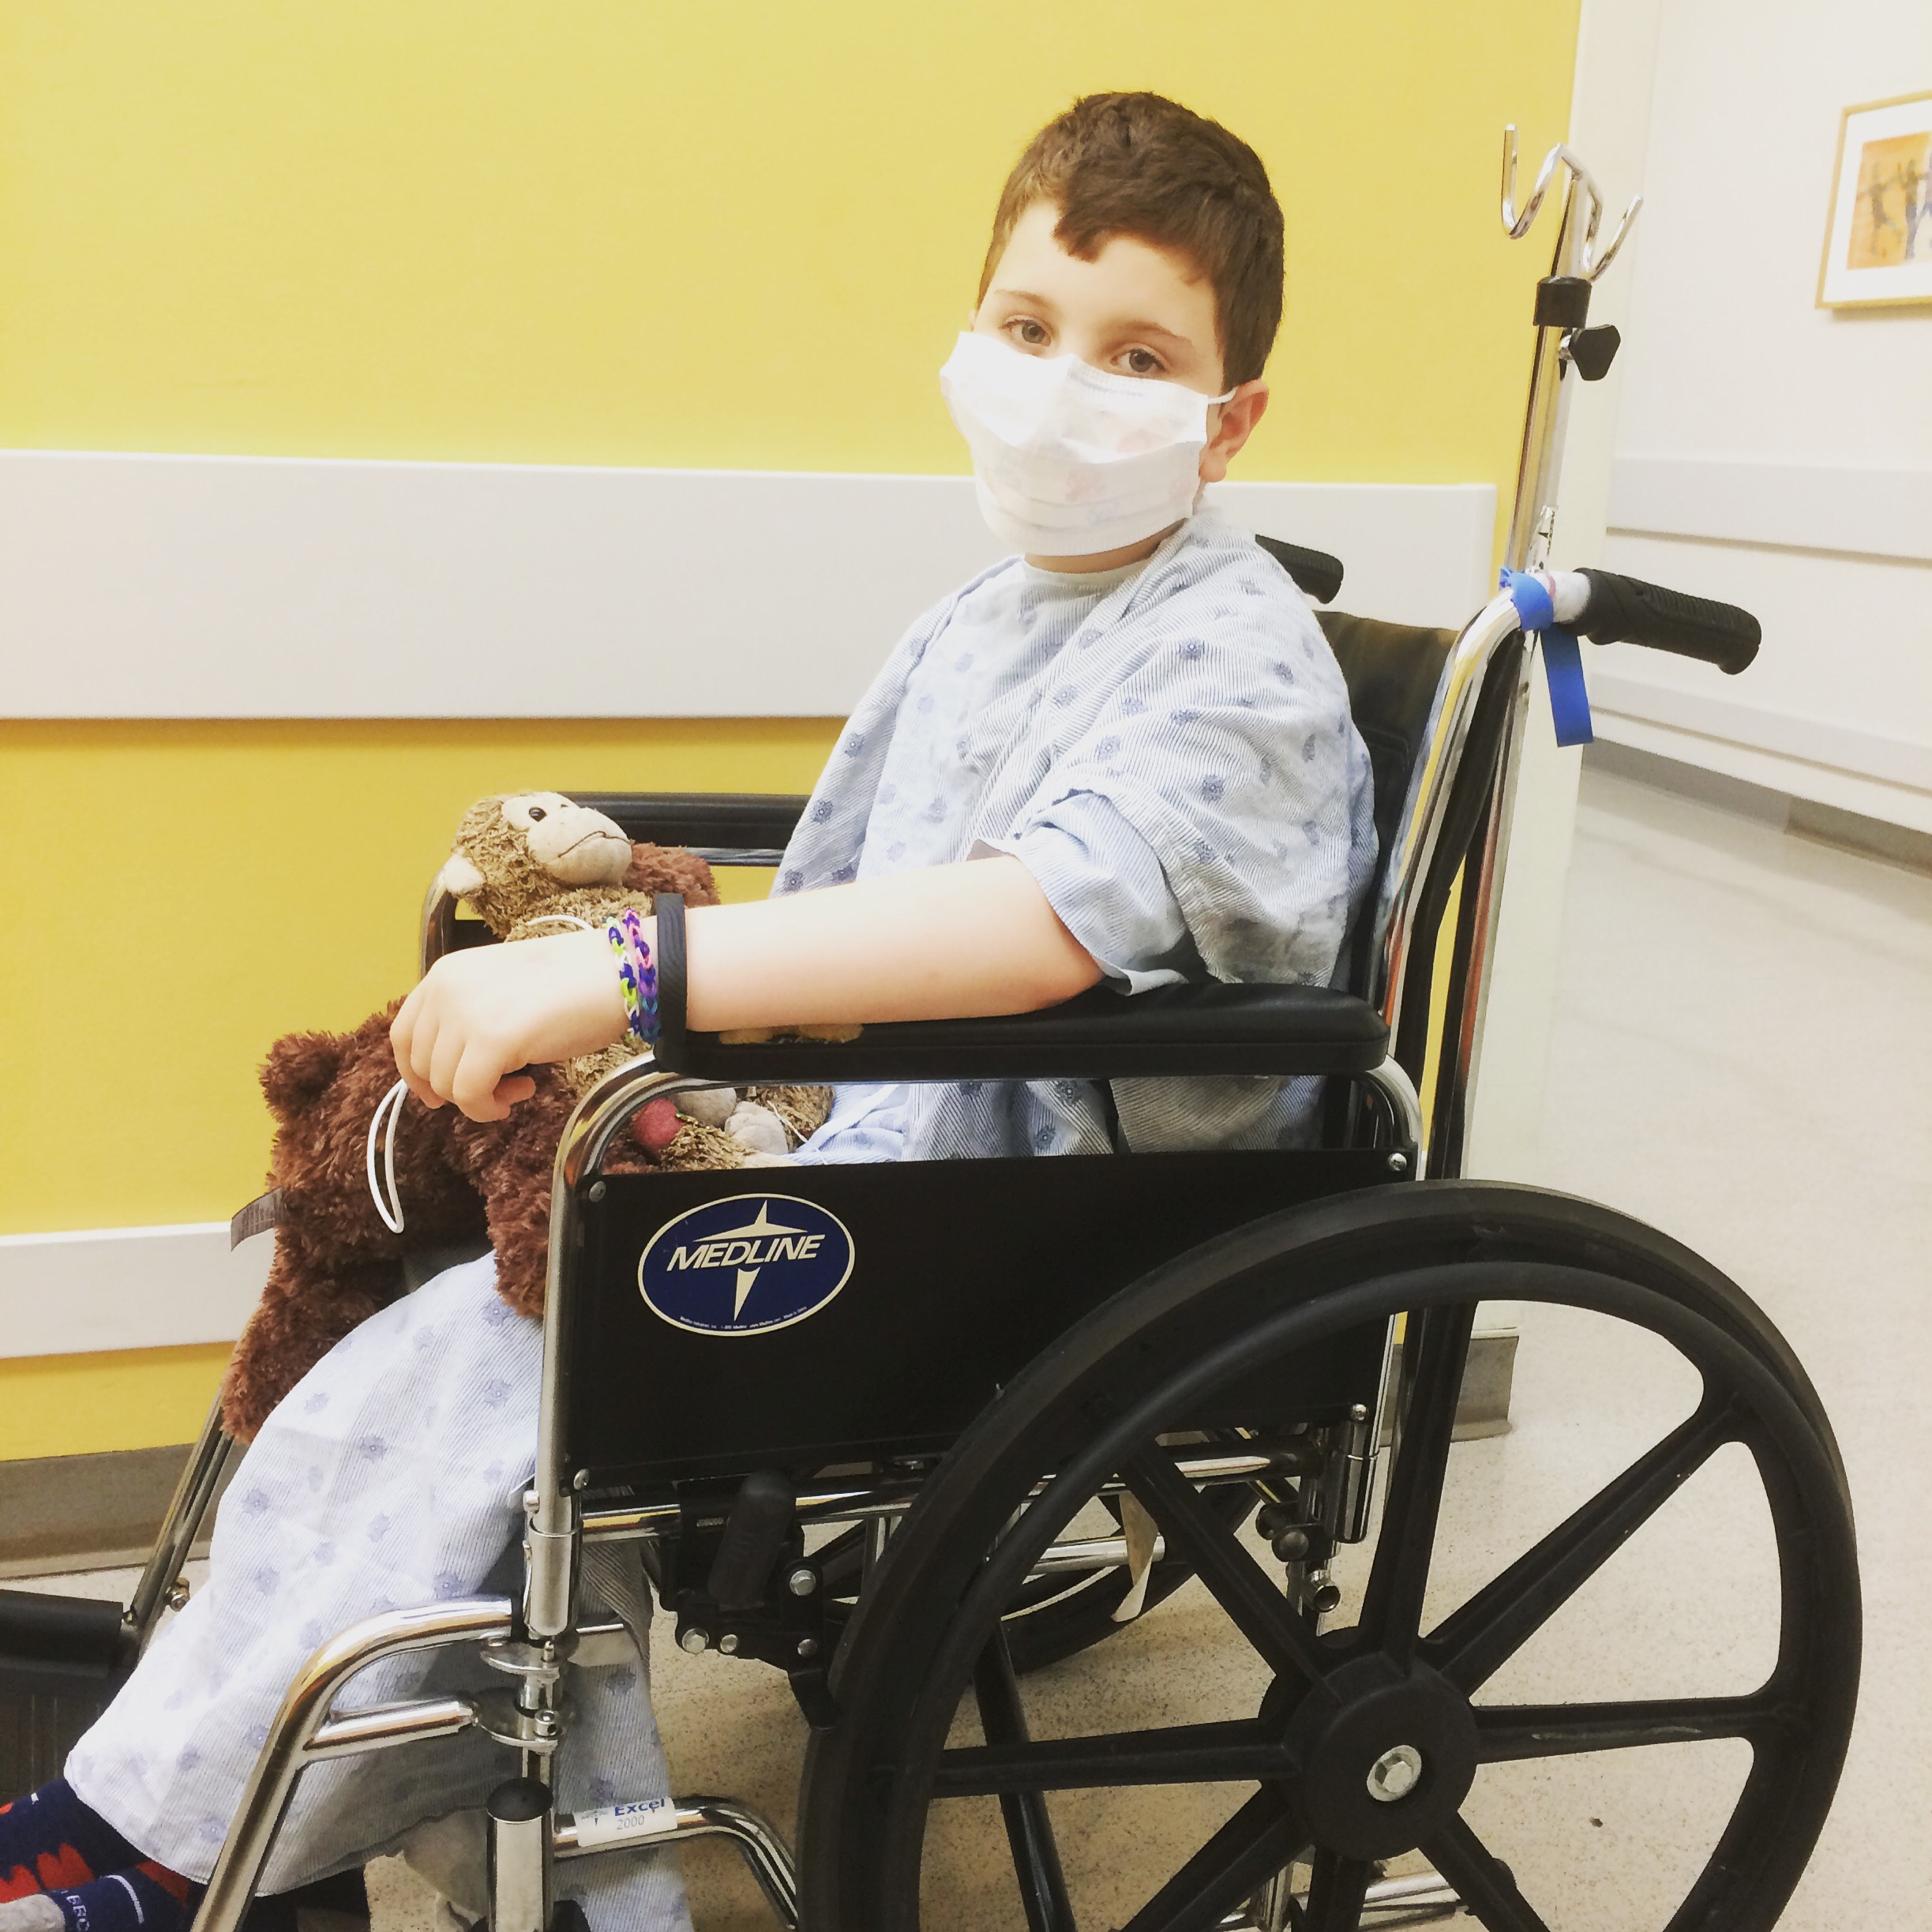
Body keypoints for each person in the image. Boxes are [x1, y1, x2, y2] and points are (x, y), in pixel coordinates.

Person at [4, 92, 1374, 1932]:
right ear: (972, 330)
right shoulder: (1000, 610)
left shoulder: (1233, 662)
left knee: (482, 1369)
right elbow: (854, 886)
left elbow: (1038, 928)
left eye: (1137, 357)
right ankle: (169, 1794)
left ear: (1232, 419)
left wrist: (631, 973)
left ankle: (179, 1844)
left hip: (1033, 1216)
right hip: (891, 1138)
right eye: (1029, 328)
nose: (1063, 390)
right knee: (418, 1299)